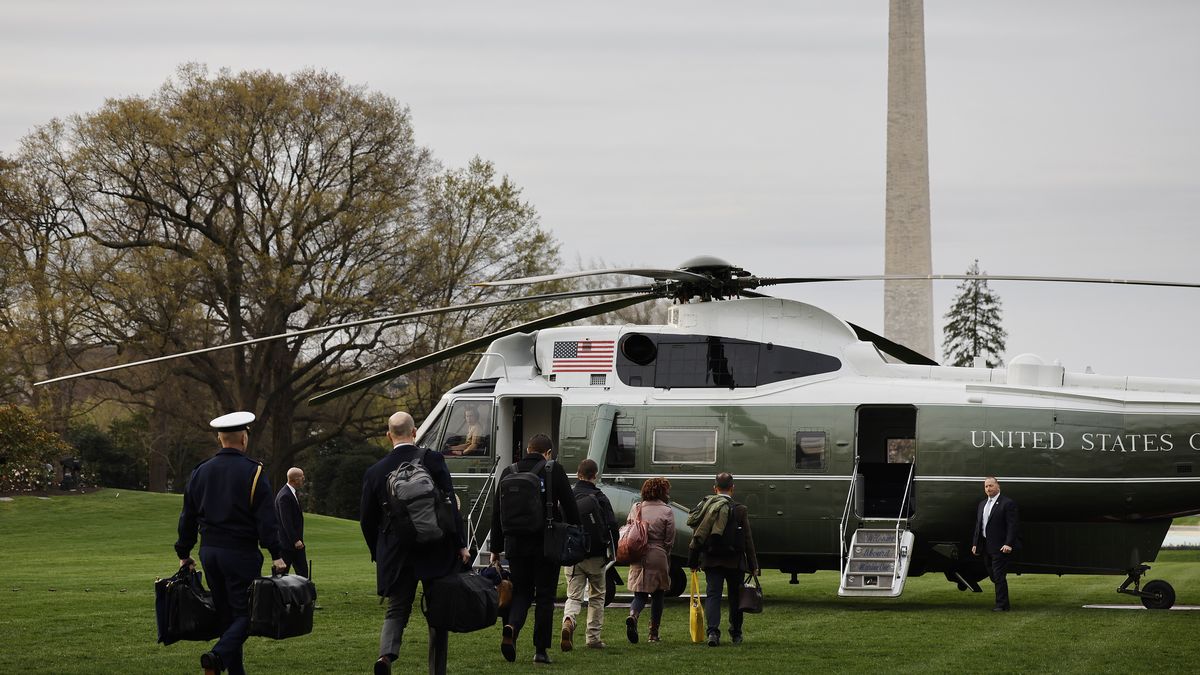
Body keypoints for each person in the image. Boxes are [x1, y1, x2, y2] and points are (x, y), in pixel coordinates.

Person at [174, 411, 286, 675]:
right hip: (240, 553)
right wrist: (276, 553)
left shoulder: (200, 472)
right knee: (249, 615)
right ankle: (217, 657)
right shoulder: (254, 472)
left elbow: (187, 516)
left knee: (227, 616)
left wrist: (184, 551)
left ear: (219, 438)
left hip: (209, 552)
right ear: (244, 439)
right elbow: (266, 519)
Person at [360, 411, 471, 675]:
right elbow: (449, 505)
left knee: (397, 609)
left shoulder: (375, 472)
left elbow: (367, 520)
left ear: (389, 436)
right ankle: (437, 670)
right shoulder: (432, 460)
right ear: (415, 431)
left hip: (398, 551)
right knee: (438, 611)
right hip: (436, 547)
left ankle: (386, 656)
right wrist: (460, 544)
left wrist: (379, 550)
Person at [489, 433, 580, 665]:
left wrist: (496, 548)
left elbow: (497, 513)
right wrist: (574, 532)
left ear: (528, 449)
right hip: (545, 543)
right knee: (546, 596)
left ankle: (512, 627)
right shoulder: (553, 470)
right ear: (548, 453)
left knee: (521, 592)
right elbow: (571, 506)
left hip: (515, 544)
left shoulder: (509, 471)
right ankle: (540, 651)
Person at [687, 472, 758, 647]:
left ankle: (713, 632)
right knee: (735, 597)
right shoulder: (740, 509)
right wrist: (753, 564)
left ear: (715, 488)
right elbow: (748, 539)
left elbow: (697, 536)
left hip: (711, 559)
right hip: (735, 561)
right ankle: (736, 633)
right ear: (732, 488)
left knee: (713, 596)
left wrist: (693, 561)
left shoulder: (706, 506)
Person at [561, 458, 619, 651]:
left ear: (578, 474)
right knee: (596, 596)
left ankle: (569, 619)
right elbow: (611, 526)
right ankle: (593, 637)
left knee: (574, 595)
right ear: (595, 476)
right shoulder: (600, 497)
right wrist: (613, 550)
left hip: (572, 554)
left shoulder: (568, 495)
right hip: (596, 555)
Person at [625, 477, 675, 644]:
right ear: (662, 492)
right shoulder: (667, 511)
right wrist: (664, 552)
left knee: (639, 594)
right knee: (658, 594)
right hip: (658, 554)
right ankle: (653, 633)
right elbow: (670, 539)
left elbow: (629, 529)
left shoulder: (636, 507)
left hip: (638, 554)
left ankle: (633, 615)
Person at [971, 476, 1019, 611]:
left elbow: (1012, 526)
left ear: (998, 486)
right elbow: (979, 525)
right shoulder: (982, 504)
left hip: (1000, 547)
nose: (988, 489)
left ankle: (1002, 605)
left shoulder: (1007, 503)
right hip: (985, 546)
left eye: (991, 486)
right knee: (993, 575)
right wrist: (975, 543)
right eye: (986, 486)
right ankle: (1004, 602)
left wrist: (1009, 543)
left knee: (998, 576)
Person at [274, 467, 308, 577]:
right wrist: (295, 540)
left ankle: (304, 594)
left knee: (303, 573)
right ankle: (278, 594)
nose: (303, 478)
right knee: (281, 575)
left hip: (295, 544)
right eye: (301, 477)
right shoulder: (285, 496)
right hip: (288, 545)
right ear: (295, 479)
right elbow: (286, 521)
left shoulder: (291, 493)